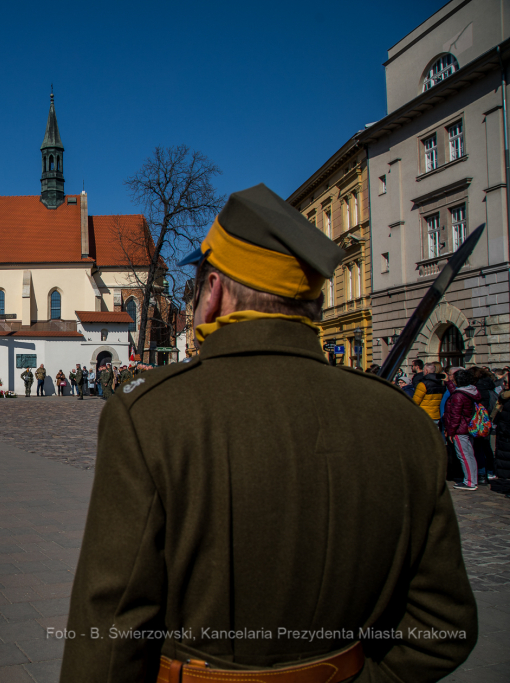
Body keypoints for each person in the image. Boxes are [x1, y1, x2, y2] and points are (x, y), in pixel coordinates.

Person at [61, 183, 477, 682]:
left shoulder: (152, 416)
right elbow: (446, 625)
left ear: (213, 292)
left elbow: (110, 631)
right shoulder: (403, 422)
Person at [446, 368, 482, 491]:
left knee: (464, 455)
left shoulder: (459, 395)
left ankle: (470, 482)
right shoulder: (471, 391)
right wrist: (449, 383)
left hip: (460, 428)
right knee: (470, 454)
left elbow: (455, 416)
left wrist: (451, 432)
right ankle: (472, 479)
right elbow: (457, 394)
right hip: (469, 426)